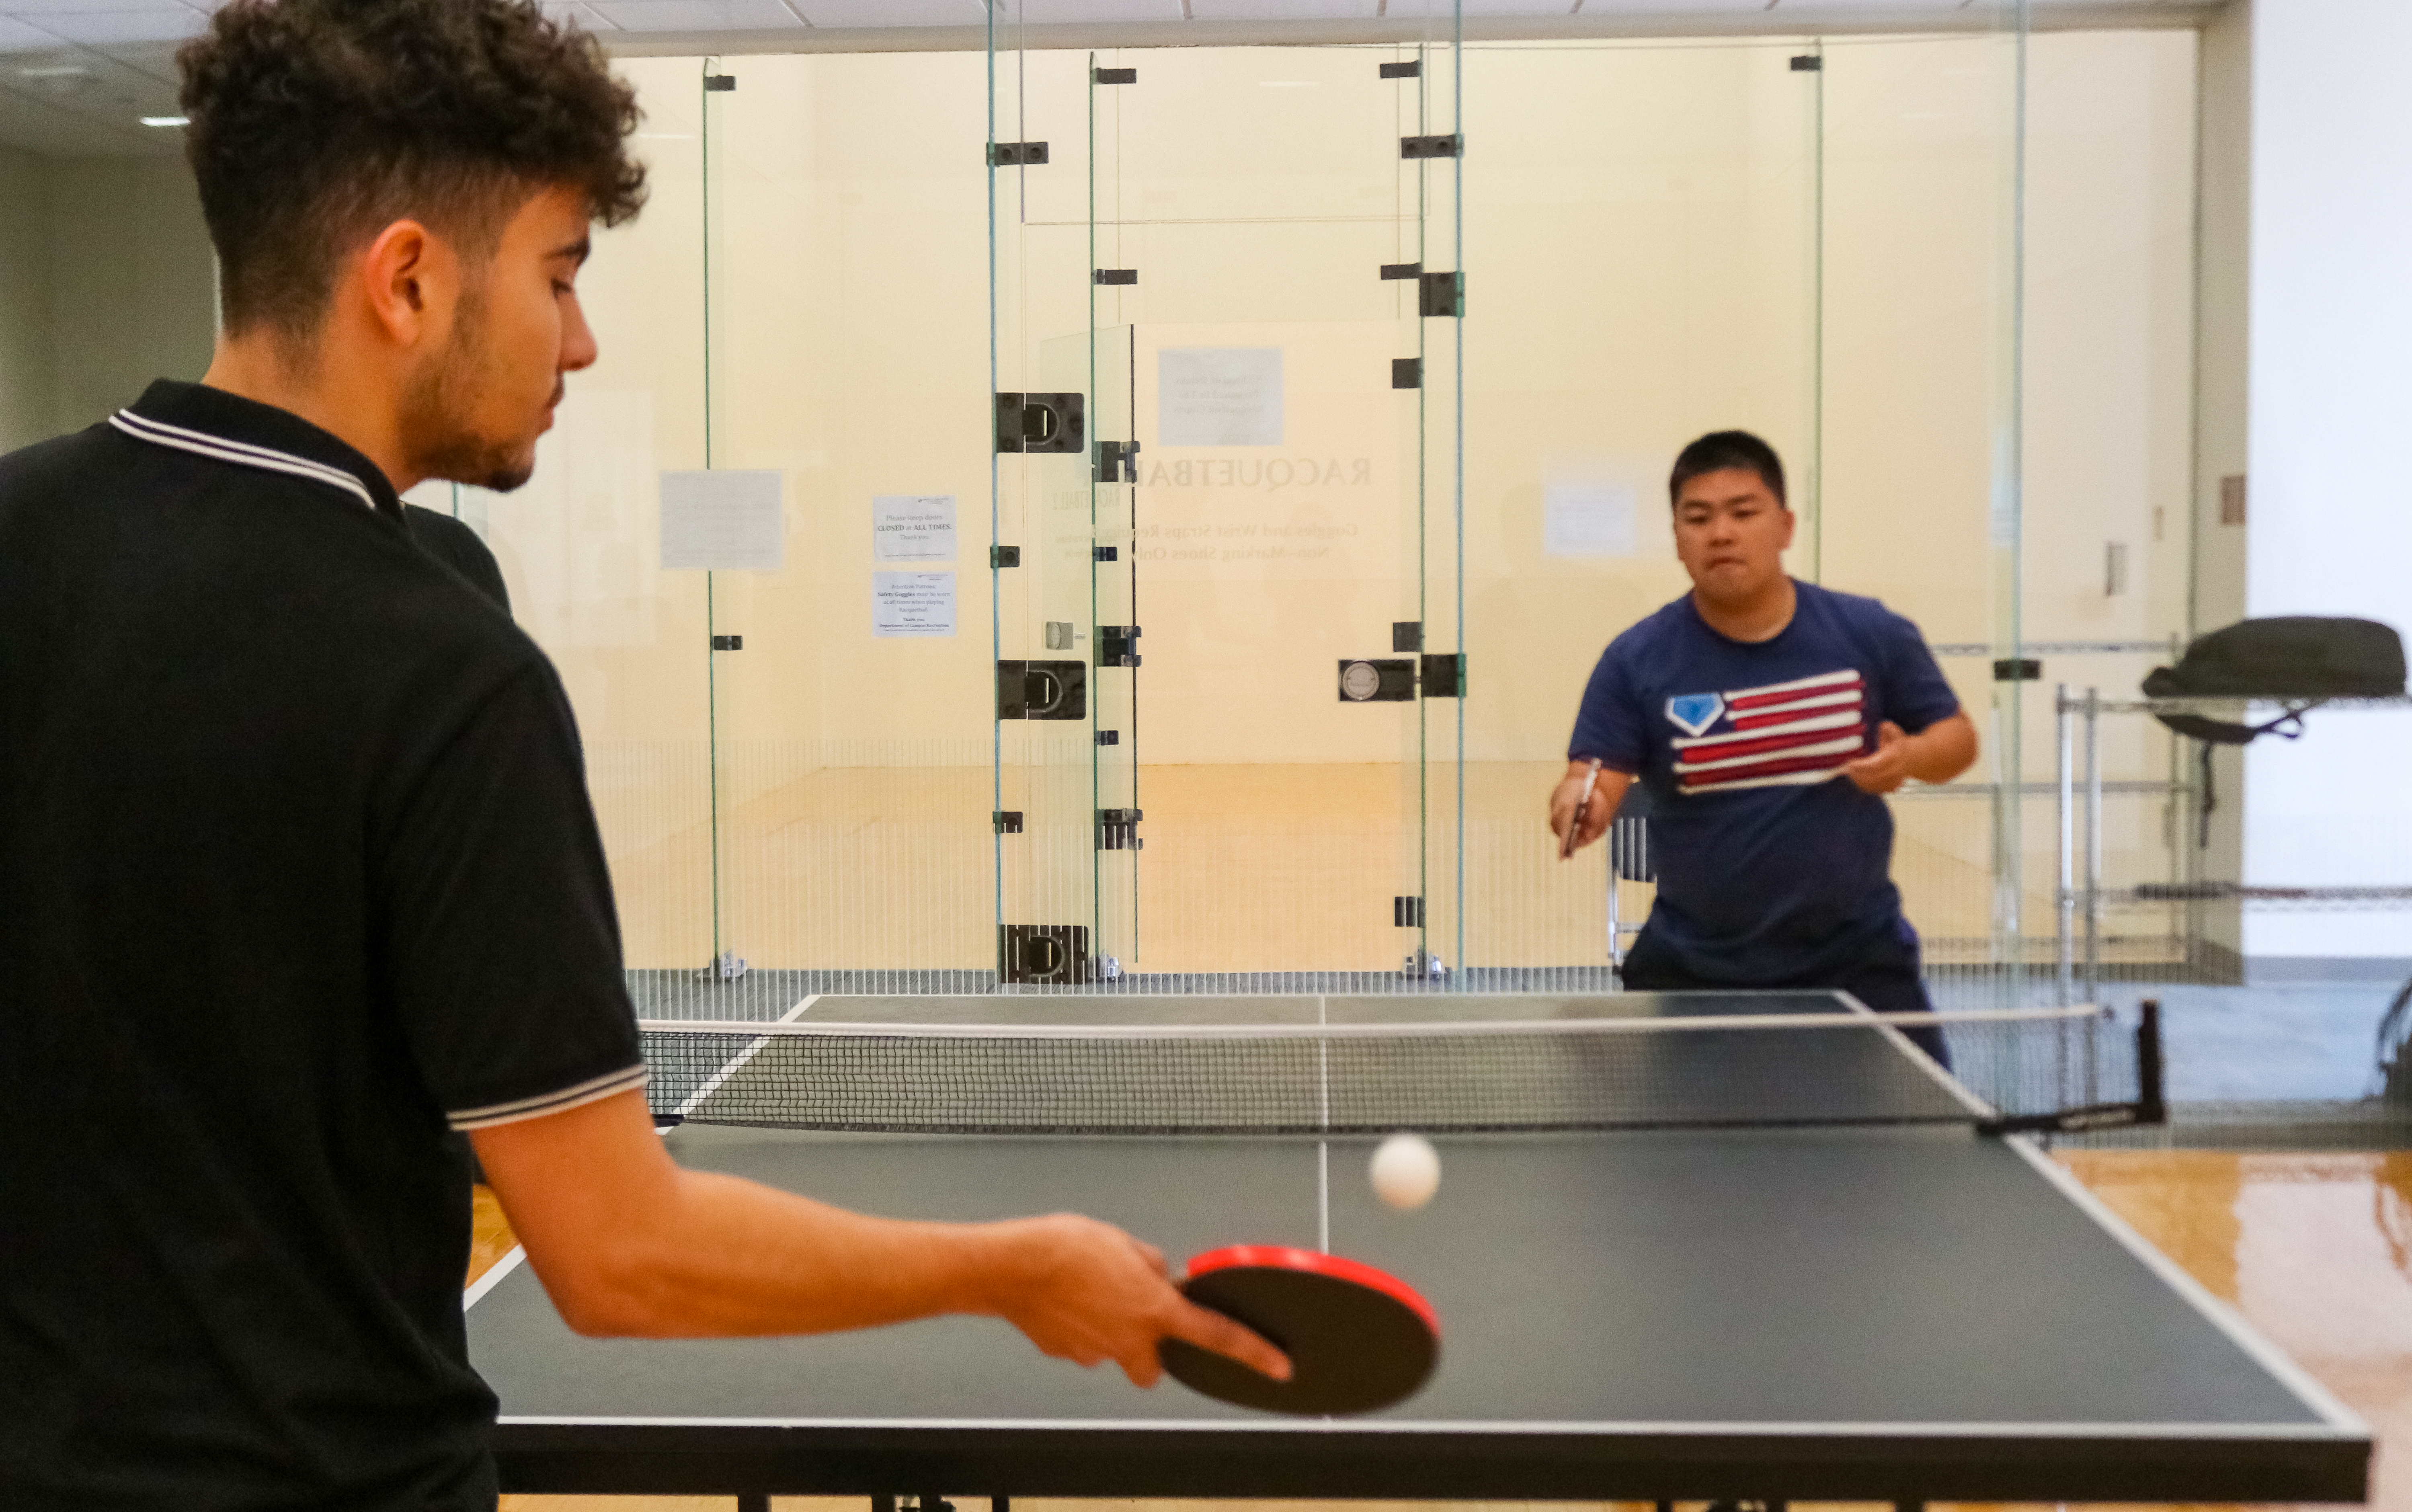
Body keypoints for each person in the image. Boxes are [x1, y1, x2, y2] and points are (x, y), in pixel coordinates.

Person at [0, 2, 1281, 1507]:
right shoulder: (440, 665)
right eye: (559, 275)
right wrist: (1013, 1265)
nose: (583, 340)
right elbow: (616, 1254)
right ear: (406, 280)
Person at [1549, 431, 1978, 1063]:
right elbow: (1596, 772)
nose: (1720, 532)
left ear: (1784, 525)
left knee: (1912, 1144)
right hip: (1694, 967)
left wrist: (1909, 759)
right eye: (1698, 518)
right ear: (1677, 538)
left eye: (1743, 512)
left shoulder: (1868, 633)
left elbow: (1957, 738)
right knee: (1680, 1160)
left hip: (1857, 960)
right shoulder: (1636, 658)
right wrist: (1579, 802)